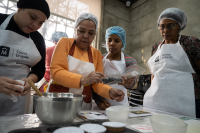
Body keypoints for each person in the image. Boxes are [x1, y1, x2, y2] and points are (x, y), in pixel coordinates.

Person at [48, 13, 125, 110]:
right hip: (59, 101)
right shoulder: (65, 43)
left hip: (83, 105)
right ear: (75, 29)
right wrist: (83, 79)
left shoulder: (96, 54)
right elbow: (56, 72)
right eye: (81, 31)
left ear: (95, 35)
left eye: (91, 33)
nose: (85, 36)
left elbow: (97, 84)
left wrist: (110, 91)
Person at [144, 8, 200, 118]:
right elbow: (154, 74)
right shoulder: (156, 47)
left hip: (188, 101)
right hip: (159, 100)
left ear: (180, 25)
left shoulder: (191, 43)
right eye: (162, 26)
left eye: (170, 26)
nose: (165, 30)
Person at [0, 0, 50, 115]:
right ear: (19, 8)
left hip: (18, 102)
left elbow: (39, 69)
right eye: (33, 17)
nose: (35, 25)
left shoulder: (38, 39)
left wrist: (30, 80)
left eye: (41, 23)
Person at [93, 26, 137, 110]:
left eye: (117, 41)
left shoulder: (129, 60)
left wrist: (129, 82)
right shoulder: (100, 59)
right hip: (102, 105)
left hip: (121, 106)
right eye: (109, 40)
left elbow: (133, 82)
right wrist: (99, 101)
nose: (112, 43)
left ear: (123, 44)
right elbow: (94, 84)